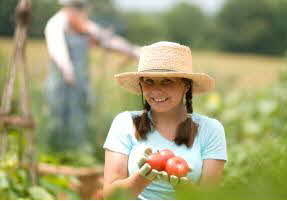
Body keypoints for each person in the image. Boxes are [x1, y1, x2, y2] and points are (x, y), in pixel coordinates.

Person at [102, 41, 227, 200]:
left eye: (167, 81)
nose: (156, 90)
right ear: (141, 84)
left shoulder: (211, 130)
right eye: (148, 81)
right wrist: (143, 177)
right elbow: (110, 197)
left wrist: (183, 186)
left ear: (186, 85)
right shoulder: (124, 123)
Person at [44, 0, 139, 153]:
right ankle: (55, 152)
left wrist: (133, 51)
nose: (82, 12)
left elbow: (108, 41)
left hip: (80, 82)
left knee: (80, 118)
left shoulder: (85, 26)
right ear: (68, 8)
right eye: (78, 8)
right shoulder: (56, 24)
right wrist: (67, 70)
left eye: (82, 8)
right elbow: (57, 50)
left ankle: (77, 153)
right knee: (58, 119)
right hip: (61, 83)